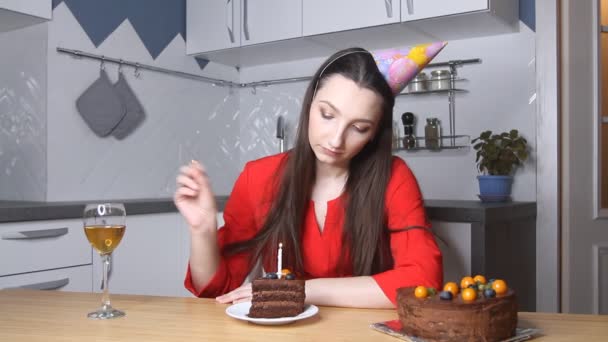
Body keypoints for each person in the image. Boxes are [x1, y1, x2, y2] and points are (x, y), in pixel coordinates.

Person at [174, 47, 443, 309]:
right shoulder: (258, 177)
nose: (336, 139)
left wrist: (301, 290)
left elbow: (423, 282)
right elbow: (215, 290)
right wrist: (202, 230)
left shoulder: (394, 177)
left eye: (359, 128)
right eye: (327, 115)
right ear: (310, 103)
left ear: (375, 134)